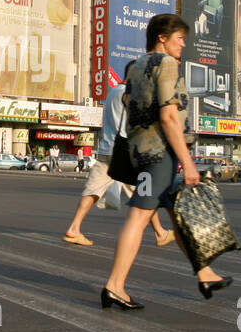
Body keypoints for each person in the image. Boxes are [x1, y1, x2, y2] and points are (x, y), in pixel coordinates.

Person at [102, 14, 231, 310]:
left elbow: (129, 105)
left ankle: (204, 273)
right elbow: (169, 116)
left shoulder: (135, 67)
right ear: (162, 37)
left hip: (139, 151)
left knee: (178, 214)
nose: (184, 44)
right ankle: (114, 286)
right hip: (159, 155)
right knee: (138, 217)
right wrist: (188, 163)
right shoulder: (167, 64)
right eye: (180, 38)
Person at [62, 74, 173, 249]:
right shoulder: (126, 94)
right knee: (144, 194)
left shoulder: (112, 93)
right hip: (125, 152)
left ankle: (74, 228)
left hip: (107, 150)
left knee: (92, 190)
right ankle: (160, 233)